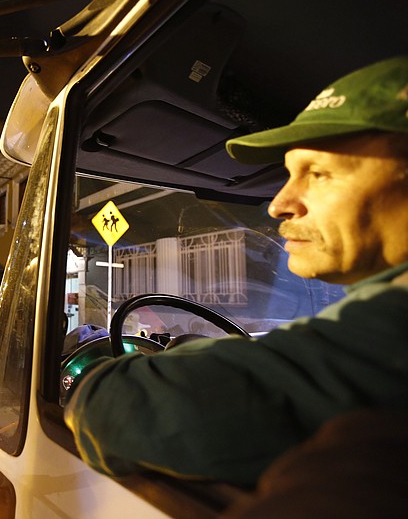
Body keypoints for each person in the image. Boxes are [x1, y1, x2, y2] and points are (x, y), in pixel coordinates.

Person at [64, 57, 408, 487]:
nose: (279, 203)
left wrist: (102, 383)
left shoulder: (394, 321)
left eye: (319, 174)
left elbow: (117, 411)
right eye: (288, 175)